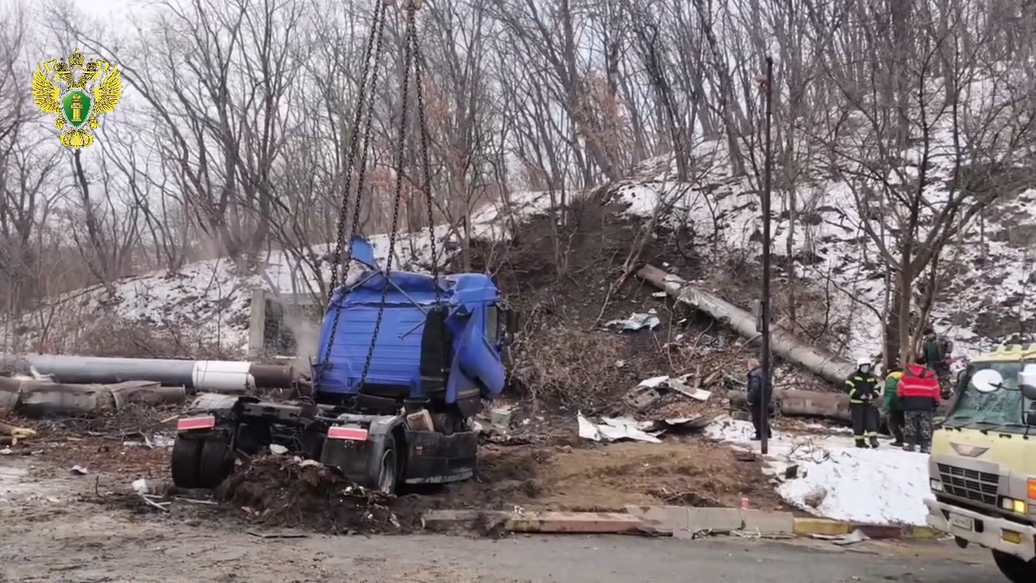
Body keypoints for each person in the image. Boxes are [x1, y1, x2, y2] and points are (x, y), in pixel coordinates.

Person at [897, 362, 941, 453]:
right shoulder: (931, 375)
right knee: (925, 425)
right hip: (927, 404)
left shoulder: (907, 374)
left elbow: (900, 389)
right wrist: (936, 401)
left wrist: (901, 398)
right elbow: (936, 390)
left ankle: (910, 444)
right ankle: (924, 446)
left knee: (910, 424)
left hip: (910, 403)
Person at [846, 356, 881, 448]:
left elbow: (877, 388)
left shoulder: (871, 378)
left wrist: (873, 395)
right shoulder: (853, 377)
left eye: (867, 367)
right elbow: (848, 388)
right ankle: (859, 441)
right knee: (858, 423)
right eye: (863, 367)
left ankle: (873, 440)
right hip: (856, 404)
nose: (865, 369)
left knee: (871, 422)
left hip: (868, 404)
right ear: (859, 367)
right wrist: (859, 395)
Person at [746, 358, 774, 440]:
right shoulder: (764, 373)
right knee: (763, 417)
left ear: (751, 365)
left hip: (758, 400)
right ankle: (767, 433)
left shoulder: (754, 374)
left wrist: (750, 398)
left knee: (757, 418)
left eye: (748, 365)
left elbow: (754, 388)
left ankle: (760, 434)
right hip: (765, 399)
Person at [922, 326, 953, 397]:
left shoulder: (941, 338)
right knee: (933, 378)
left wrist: (948, 352)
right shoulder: (925, 342)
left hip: (942, 361)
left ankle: (946, 391)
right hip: (931, 362)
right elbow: (925, 352)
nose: (928, 336)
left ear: (933, 332)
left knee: (944, 377)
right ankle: (936, 391)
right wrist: (923, 359)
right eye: (926, 335)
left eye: (929, 334)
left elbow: (950, 343)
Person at [882, 361, 905, 447]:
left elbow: (890, 392)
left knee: (893, 422)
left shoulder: (891, 377)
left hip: (895, 404)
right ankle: (911, 439)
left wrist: (885, 405)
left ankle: (899, 440)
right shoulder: (905, 376)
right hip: (906, 403)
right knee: (904, 422)